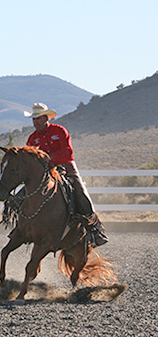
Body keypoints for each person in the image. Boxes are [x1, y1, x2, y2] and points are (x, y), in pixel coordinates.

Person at [24, 102, 108, 247]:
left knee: (81, 193)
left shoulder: (59, 131)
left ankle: (94, 230)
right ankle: (21, 228)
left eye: (38, 118)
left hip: (66, 168)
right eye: (33, 119)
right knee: (23, 195)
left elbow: (67, 152)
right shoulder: (32, 139)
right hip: (44, 172)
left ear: (46, 118)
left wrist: (48, 159)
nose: (35, 122)